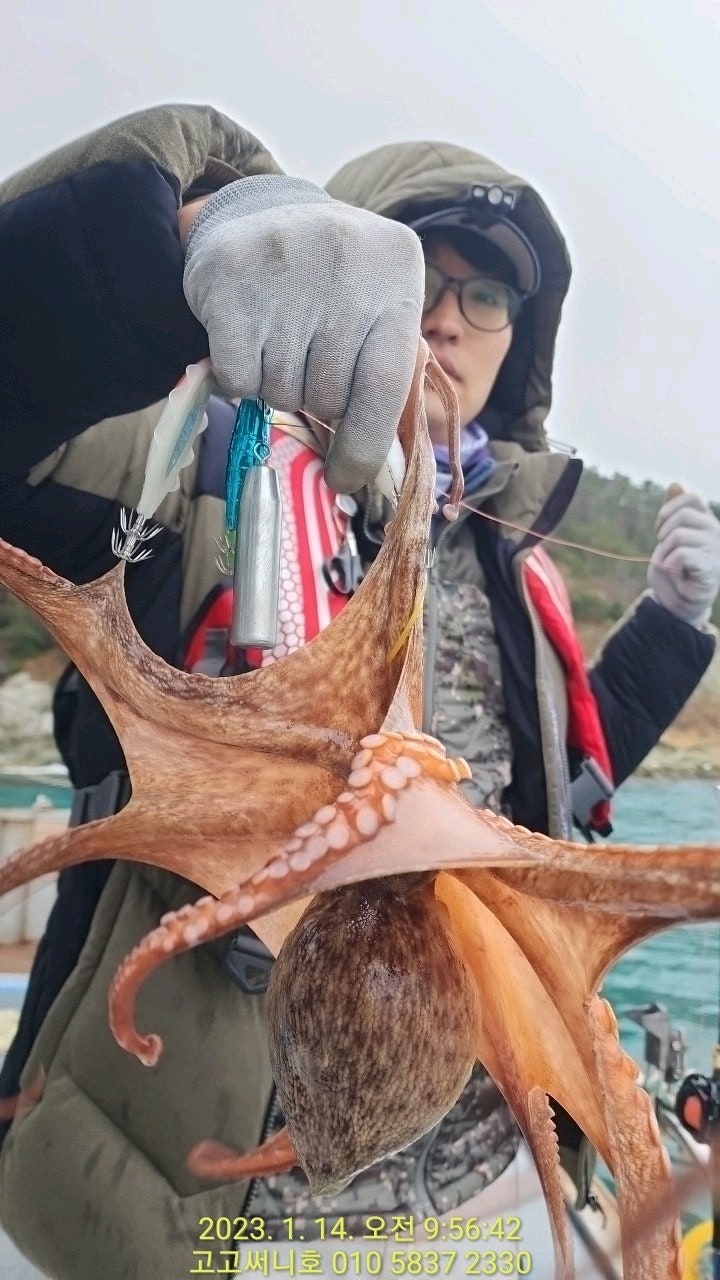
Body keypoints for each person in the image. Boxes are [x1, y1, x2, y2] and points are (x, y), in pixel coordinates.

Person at [0, 114, 718, 1280]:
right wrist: (156, 260)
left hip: (491, 1188)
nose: (450, 315)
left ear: (520, 342)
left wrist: (673, 627)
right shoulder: (191, 467)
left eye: (491, 295)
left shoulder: (515, 559)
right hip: (212, 1216)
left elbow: (531, 806)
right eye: (423, 267)